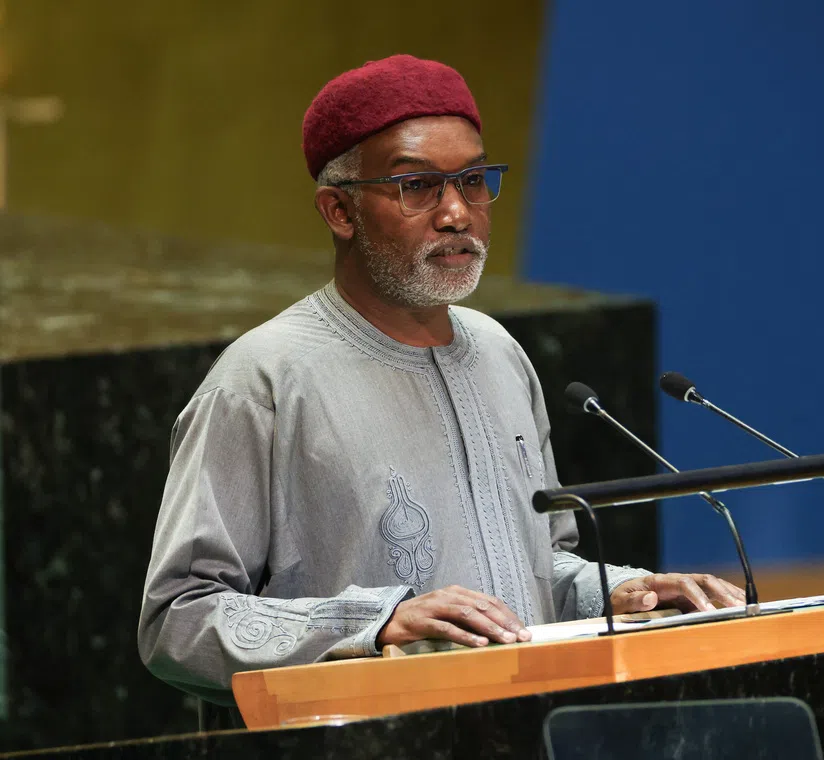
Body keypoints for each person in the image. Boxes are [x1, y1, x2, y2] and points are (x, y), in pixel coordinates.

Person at [138, 54, 745, 706]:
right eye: (417, 186)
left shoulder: (499, 352)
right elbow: (178, 618)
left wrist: (623, 590)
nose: (458, 213)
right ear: (339, 211)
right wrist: (374, 626)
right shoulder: (263, 381)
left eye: (474, 180)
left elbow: (543, 567)